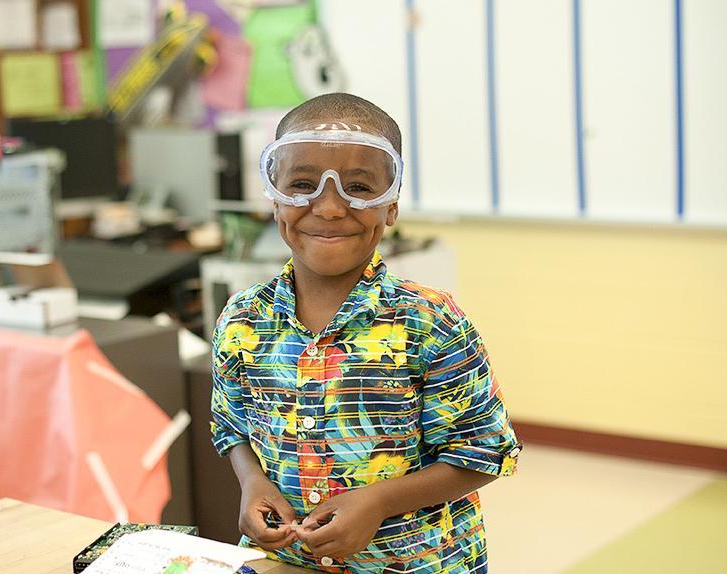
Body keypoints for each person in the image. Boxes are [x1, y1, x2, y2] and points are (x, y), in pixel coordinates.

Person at [210, 93, 520, 573]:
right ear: (275, 200)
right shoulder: (242, 319)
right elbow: (231, 426)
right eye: (302, 184)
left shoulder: (431, 321)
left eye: (358, 187)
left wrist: (378, 501)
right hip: (288, 563)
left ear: (391, 205)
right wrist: (252, 482)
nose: (330, 208)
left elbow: (482, 452)